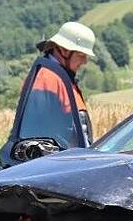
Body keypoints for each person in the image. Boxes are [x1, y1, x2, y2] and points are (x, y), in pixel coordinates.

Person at [18, 21, 96, 149]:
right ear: (64, 51)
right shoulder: (45, 79)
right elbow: (36, 137)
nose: (85, 61)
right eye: (81, 55)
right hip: (61, 159)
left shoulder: (61, 77)